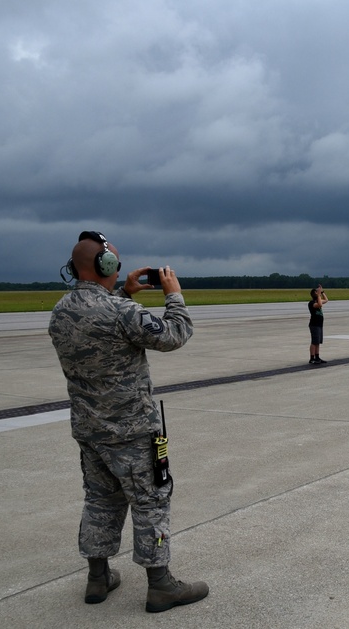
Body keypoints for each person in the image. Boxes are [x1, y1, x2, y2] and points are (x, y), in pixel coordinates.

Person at [48, 231, 209, 613]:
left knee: (100, 501)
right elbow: (174, 335)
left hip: (90, 430)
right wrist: (173, 293)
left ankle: (98, 577)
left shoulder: (61, 311)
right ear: (106, 267)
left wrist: (124, 292)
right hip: (134, 431)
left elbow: (99, 321)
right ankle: (161, 585)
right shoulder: (122, 314)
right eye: (115, 265)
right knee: (152, 501)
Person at [308, 284, 328, 364]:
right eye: (317, 292)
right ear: (315, 294)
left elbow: (326, 300)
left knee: (318, 342)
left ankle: (317, 357)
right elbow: (319, 305)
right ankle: (312, 358)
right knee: (314, 341)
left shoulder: (318, 300)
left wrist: (322, 292)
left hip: (319, 324)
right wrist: (319, 295)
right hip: (314, 324)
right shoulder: (311, 303)